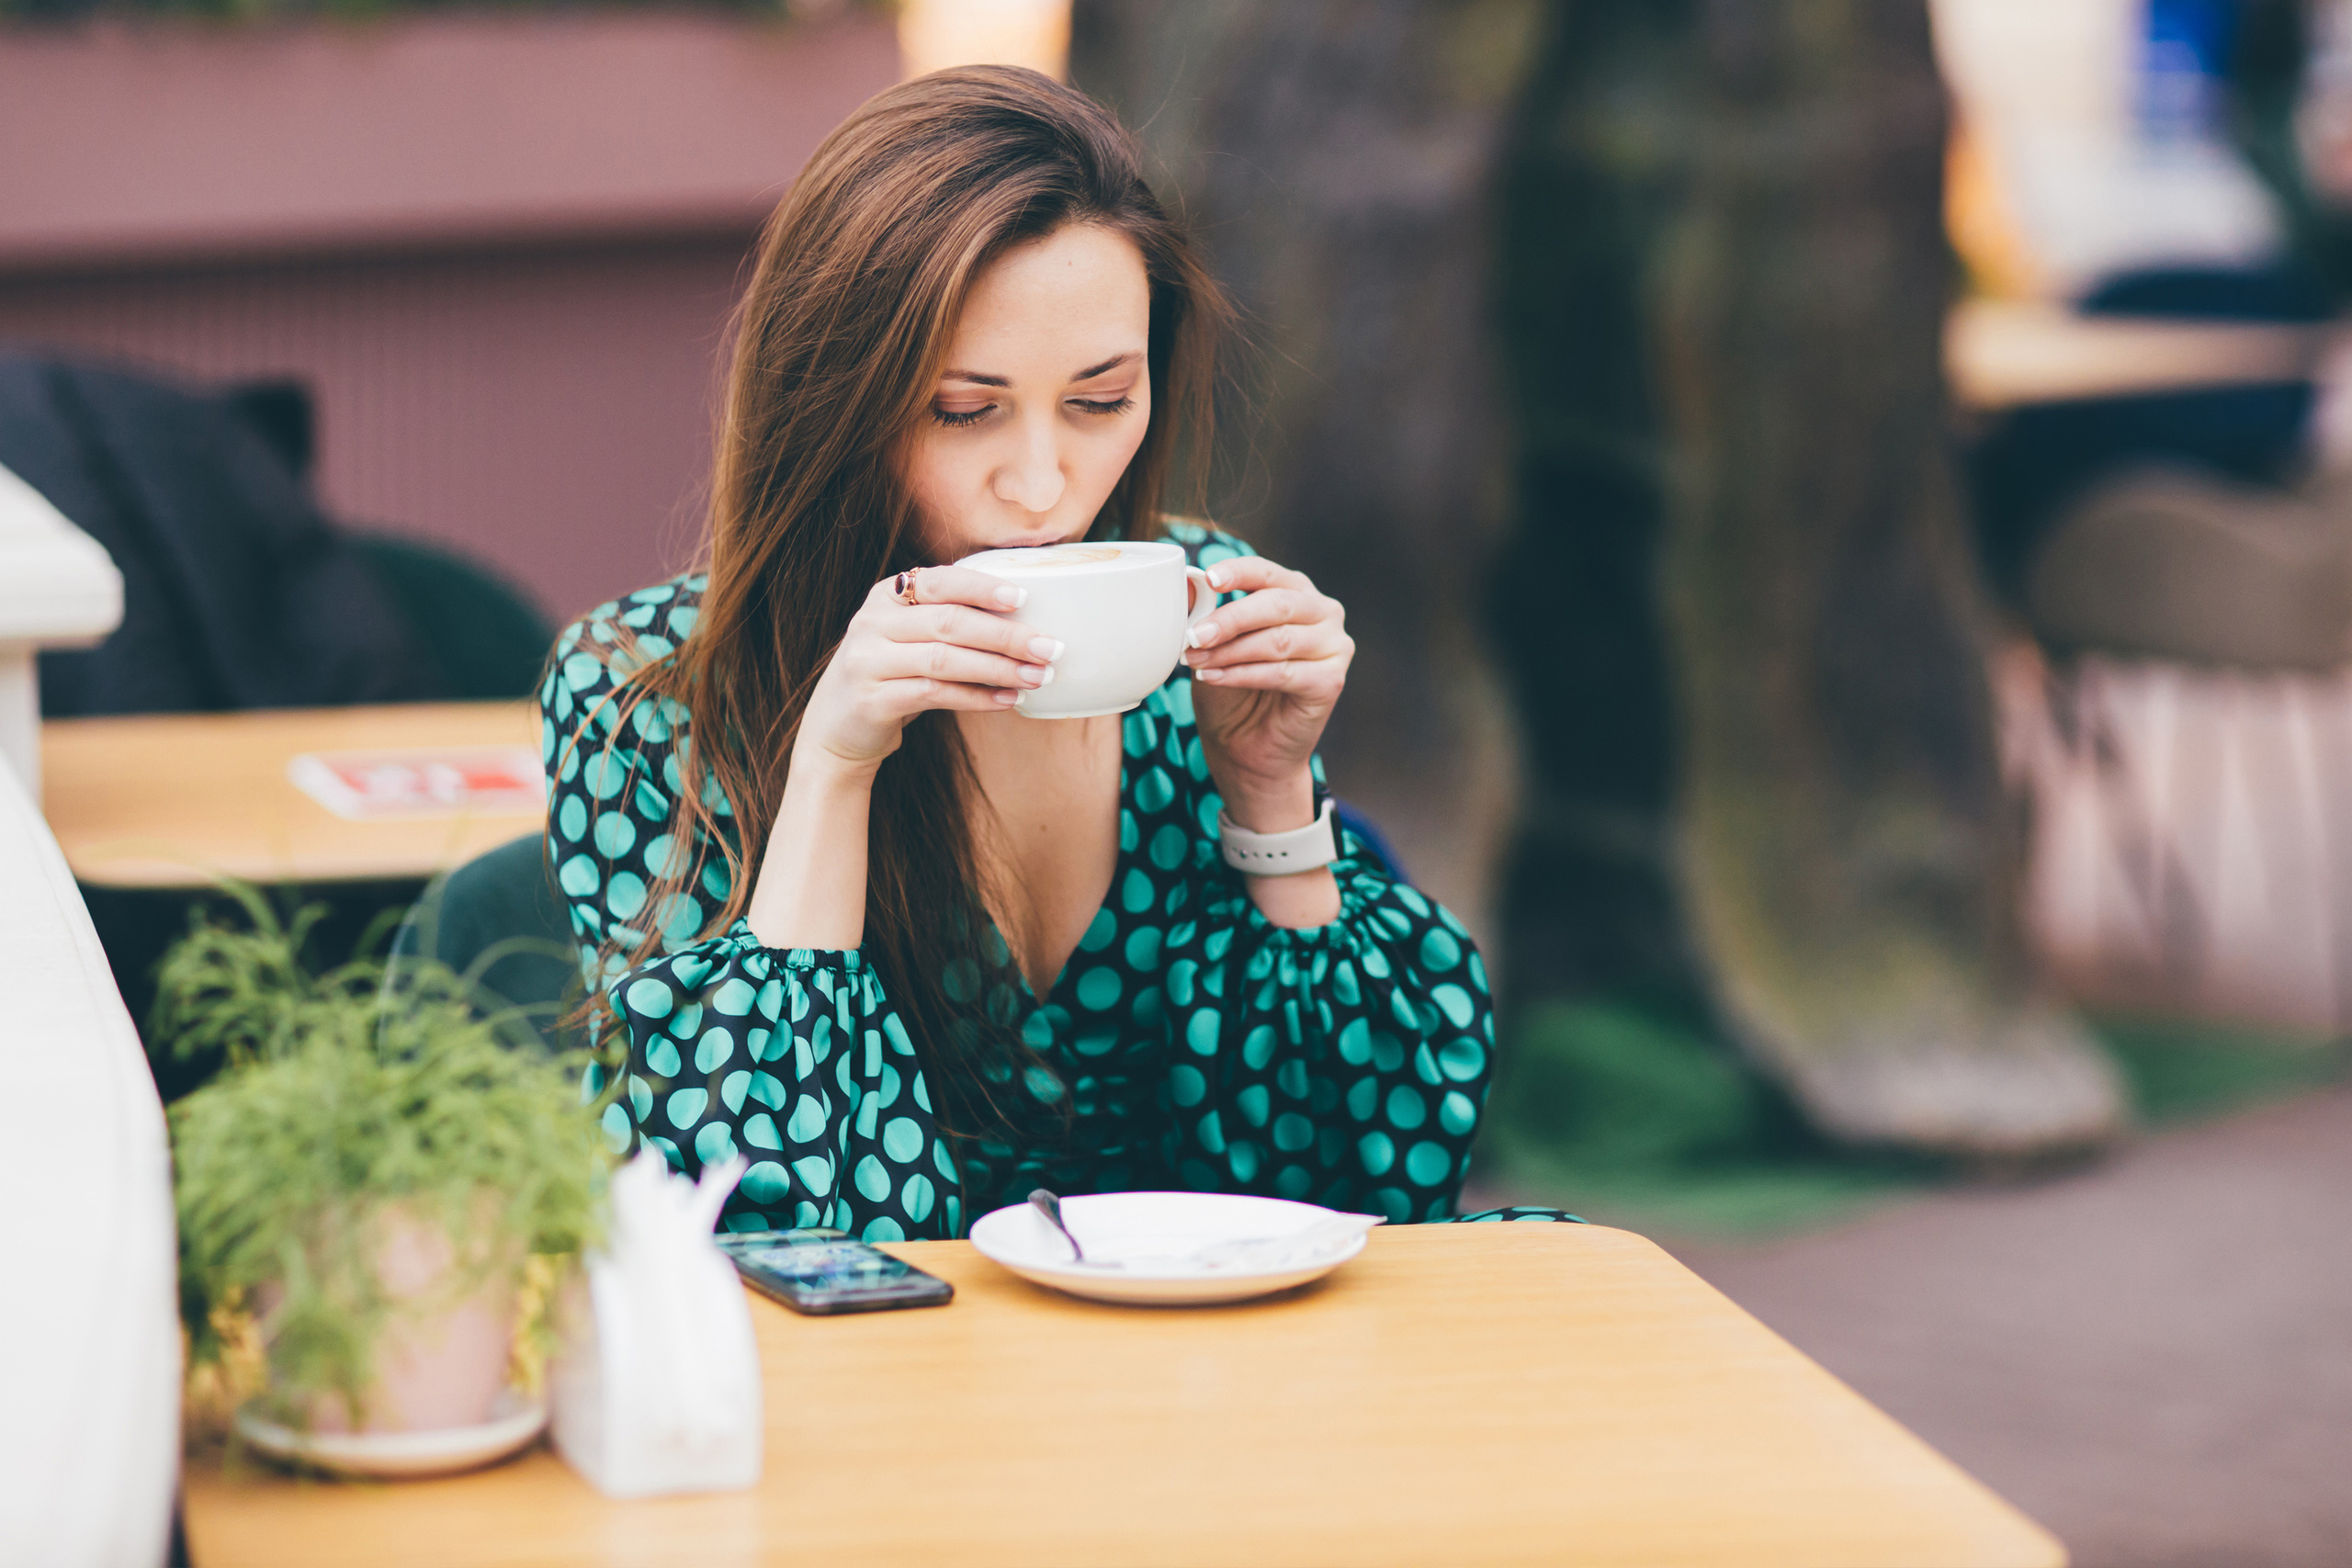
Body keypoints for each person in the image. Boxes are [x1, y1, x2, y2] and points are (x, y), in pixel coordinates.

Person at [542, 65, 1570, 1240]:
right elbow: (740, 1222)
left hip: (1207, 1357)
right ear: (836, 399)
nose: (1042, 490)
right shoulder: (648, 689)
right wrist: (832, 769)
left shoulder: (1191, 605)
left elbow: (1362, 1177)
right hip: (900, 1373)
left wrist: (1271, 790)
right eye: (963, 410)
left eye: (1099, 402)